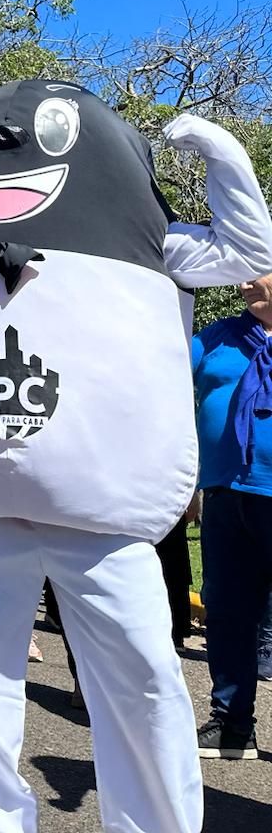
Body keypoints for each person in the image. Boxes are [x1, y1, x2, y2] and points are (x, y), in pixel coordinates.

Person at [0, 84, 272, 833]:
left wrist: (222, 155)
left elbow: (248, 251)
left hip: (98, 508)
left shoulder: (144, 235)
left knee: (140, 683)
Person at [191, 272, 272, 760]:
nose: (243, 284)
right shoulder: (217, 337)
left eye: (256, 270)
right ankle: (232, 725)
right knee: (227, 611)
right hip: (225, 493)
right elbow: (160, 384)